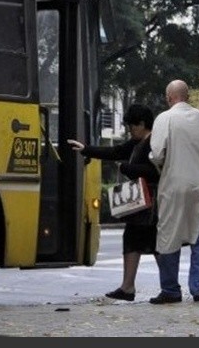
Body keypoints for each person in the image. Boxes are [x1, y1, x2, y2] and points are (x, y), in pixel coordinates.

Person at [67, 104, 159, 302]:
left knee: (155, 243)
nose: (130, 130)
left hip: (152, 202)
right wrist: (86, 150)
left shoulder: (155, 142)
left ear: (142, 124)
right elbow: (115, 151)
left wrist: (128, 168)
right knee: (136, 240)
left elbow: (155, 171)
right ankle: (129, 286)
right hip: (140, 203)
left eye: (132, 126)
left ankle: (164, 286)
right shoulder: (135, 142)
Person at [147, 79, 199, 304]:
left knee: (169, 236)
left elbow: (157, 154)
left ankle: (171, 289)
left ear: (168, 97)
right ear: (188, 96)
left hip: (175, 186)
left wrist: (162, 165)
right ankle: (198, 290)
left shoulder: (164, 118)